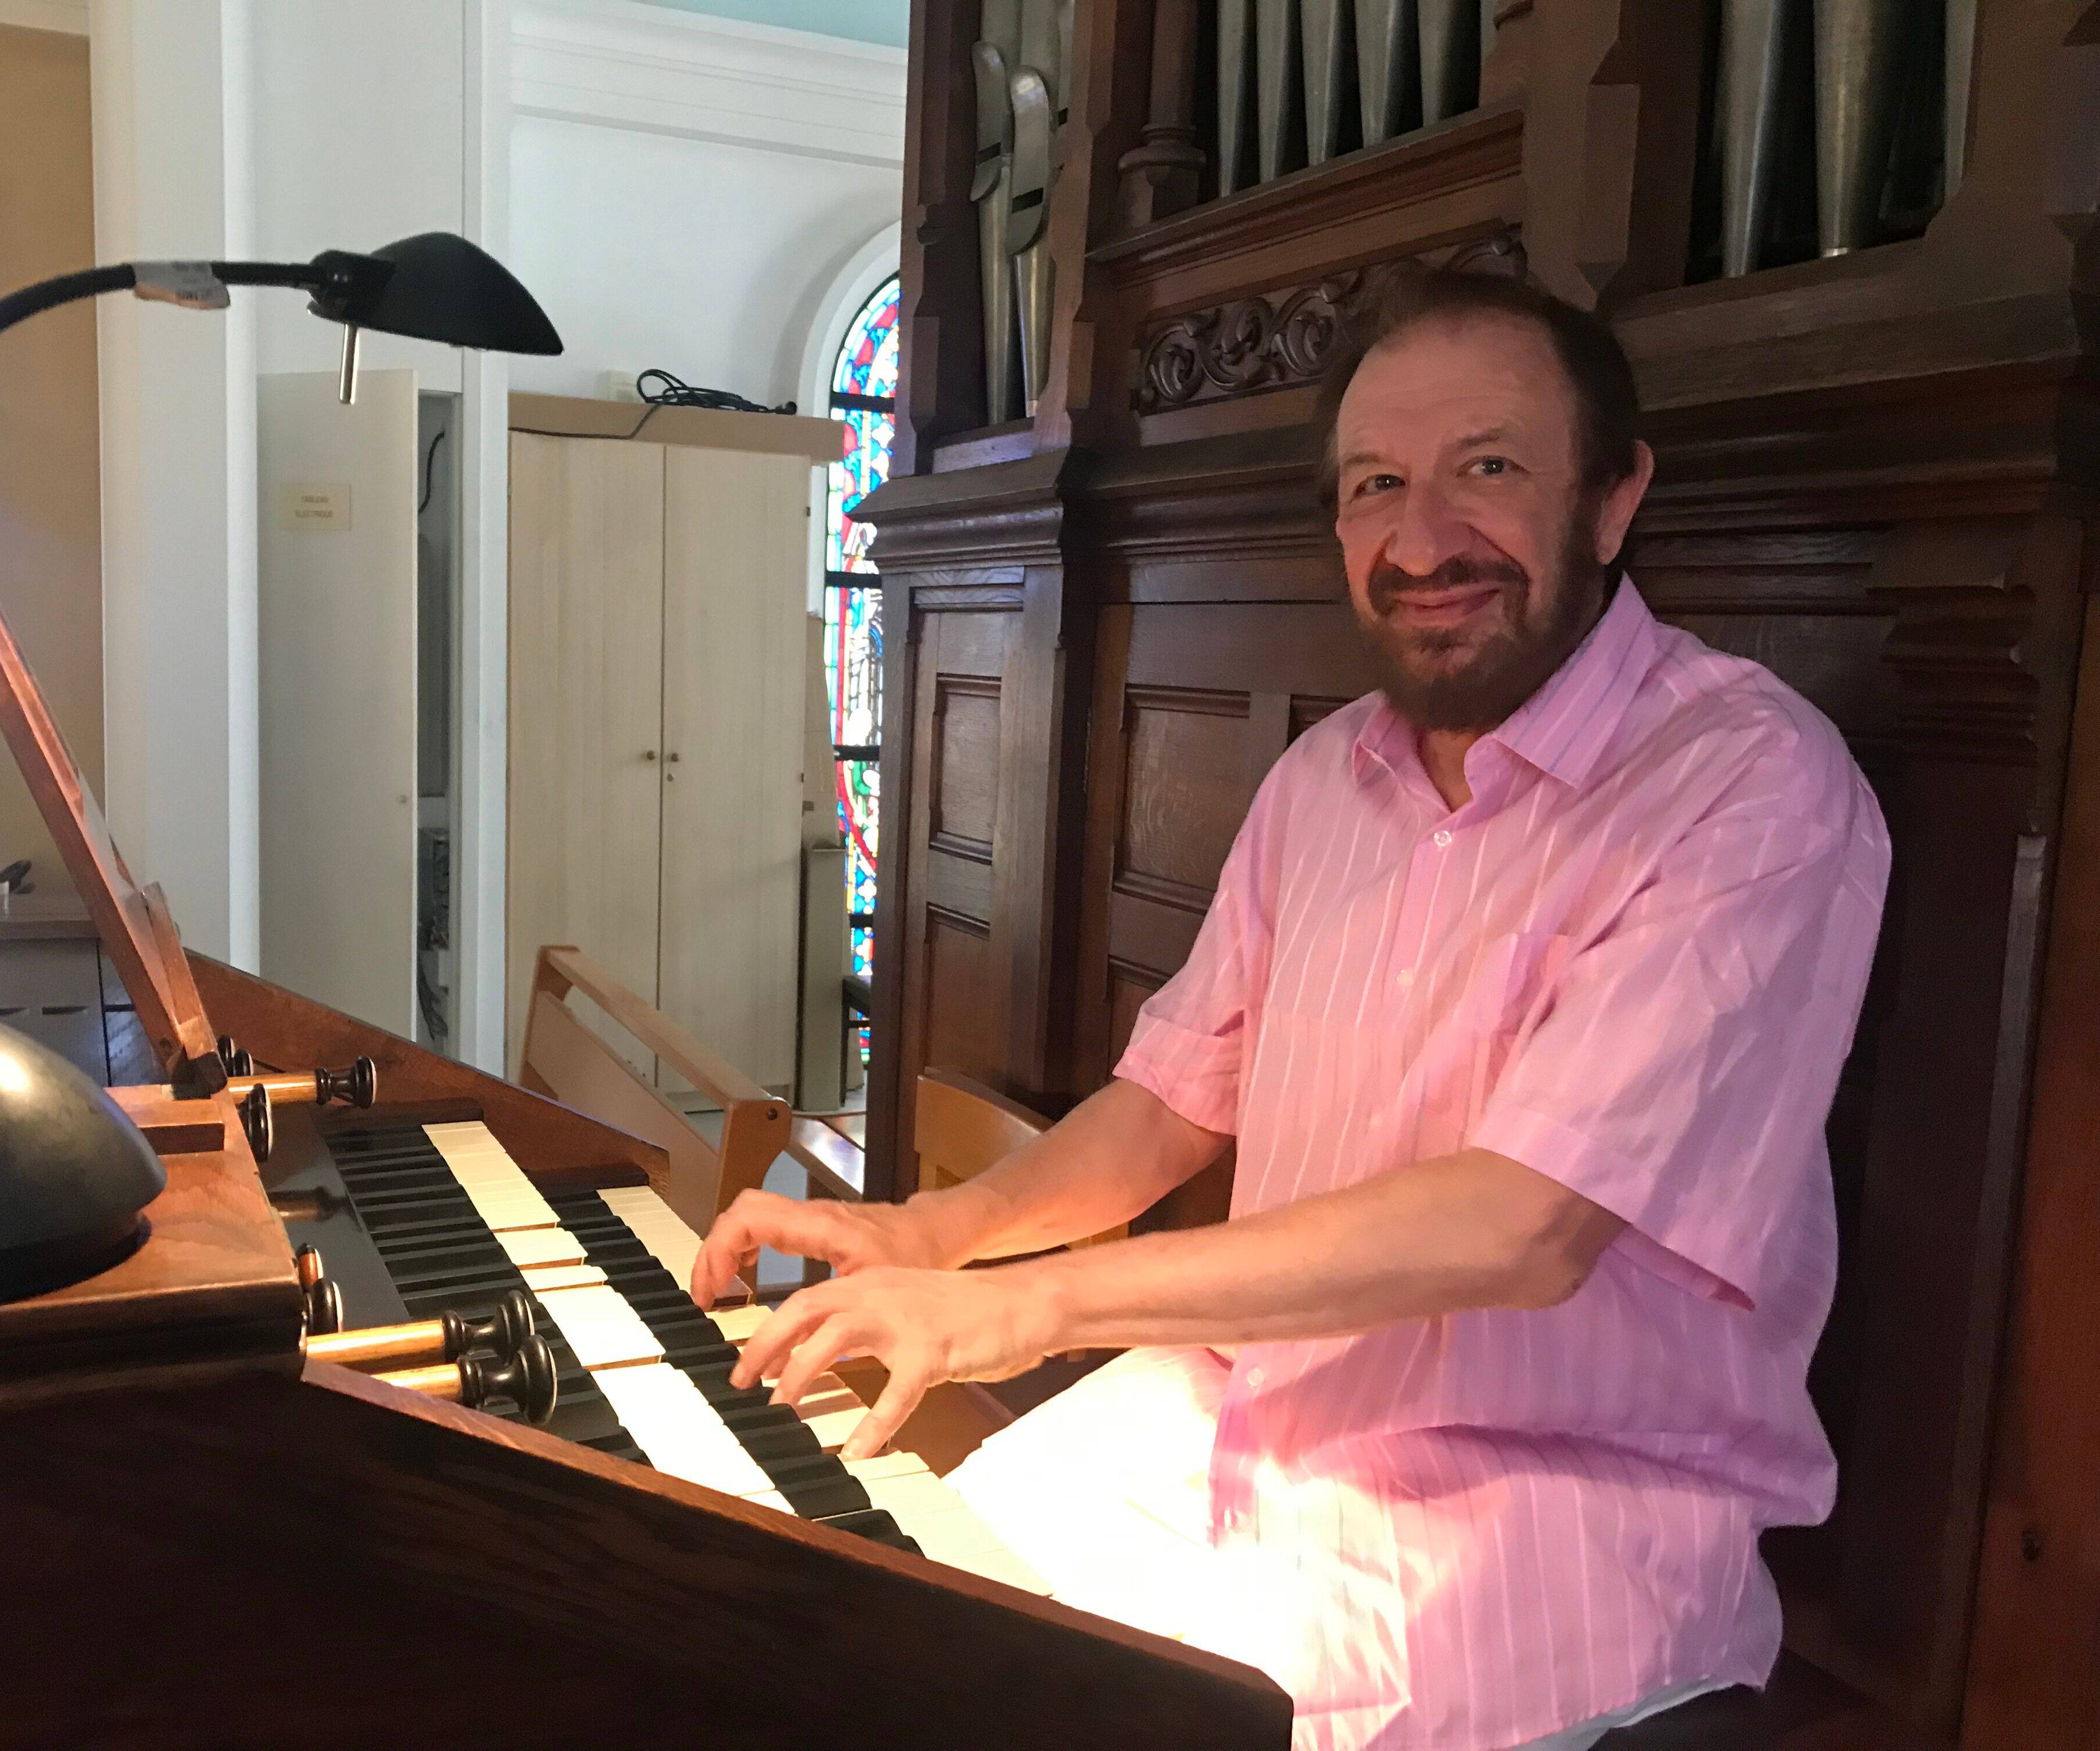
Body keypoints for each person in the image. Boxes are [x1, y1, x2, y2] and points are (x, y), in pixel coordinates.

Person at [688, 268, 1889, 1751]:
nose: (1423, 540)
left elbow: (1521, 1226)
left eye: (1488, 468)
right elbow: (1169, 1103)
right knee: (827, 1627)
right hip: (1241, 1432)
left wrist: (1032, 1302)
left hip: (1535, 1527)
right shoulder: (1326, 778)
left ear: (1613, 496)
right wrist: (933, 1234)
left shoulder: (1747, 779)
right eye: (1377, 484)